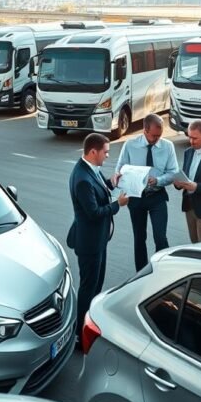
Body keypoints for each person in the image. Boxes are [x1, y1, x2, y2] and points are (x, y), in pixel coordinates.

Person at [67, 132, 128, 342]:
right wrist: (116, 205)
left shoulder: (91, 169)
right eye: (106, 152)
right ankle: (78, 334)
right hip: (89, 242)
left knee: (97, 284)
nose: (107, 156)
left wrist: (112, 182)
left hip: (98, 240)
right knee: (88, 287)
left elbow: (100, 189)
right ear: (93, 151)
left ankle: (89, 323)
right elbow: (94, 212)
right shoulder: (82, 179)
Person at [113, 113, 178, 271]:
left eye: (160, 135)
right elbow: (119, 168)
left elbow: (173, 172)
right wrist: (118, 178)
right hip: (136, 199)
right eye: (154, 136)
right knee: (139, 238)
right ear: (145, 130)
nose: (157, 139)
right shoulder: (130, 145)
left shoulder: (167, 146)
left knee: (160, 237)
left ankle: (162, 271)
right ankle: (141, 274)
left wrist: (159, 180)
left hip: (157, 197)